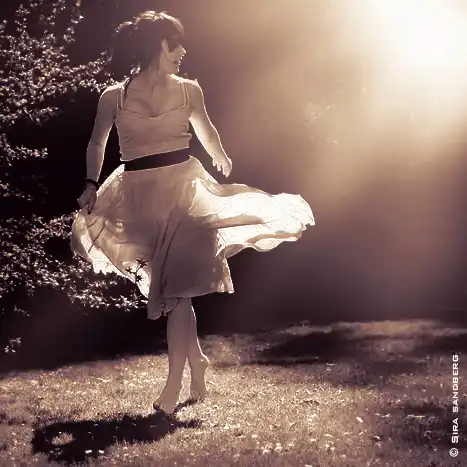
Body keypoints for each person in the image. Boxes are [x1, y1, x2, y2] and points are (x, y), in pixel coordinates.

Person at [71, 11, 314, 415]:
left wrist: (220, 155)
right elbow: (98, 143)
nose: (183, 51)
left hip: (185, 193)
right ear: (157, 45)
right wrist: (91, 183)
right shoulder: (113, 96)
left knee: (178, 293)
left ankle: (172, 387)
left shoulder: (189, 90)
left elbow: (206, 129)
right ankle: (197, 362)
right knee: (173, 293)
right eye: (176, 43)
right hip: (137, 198)